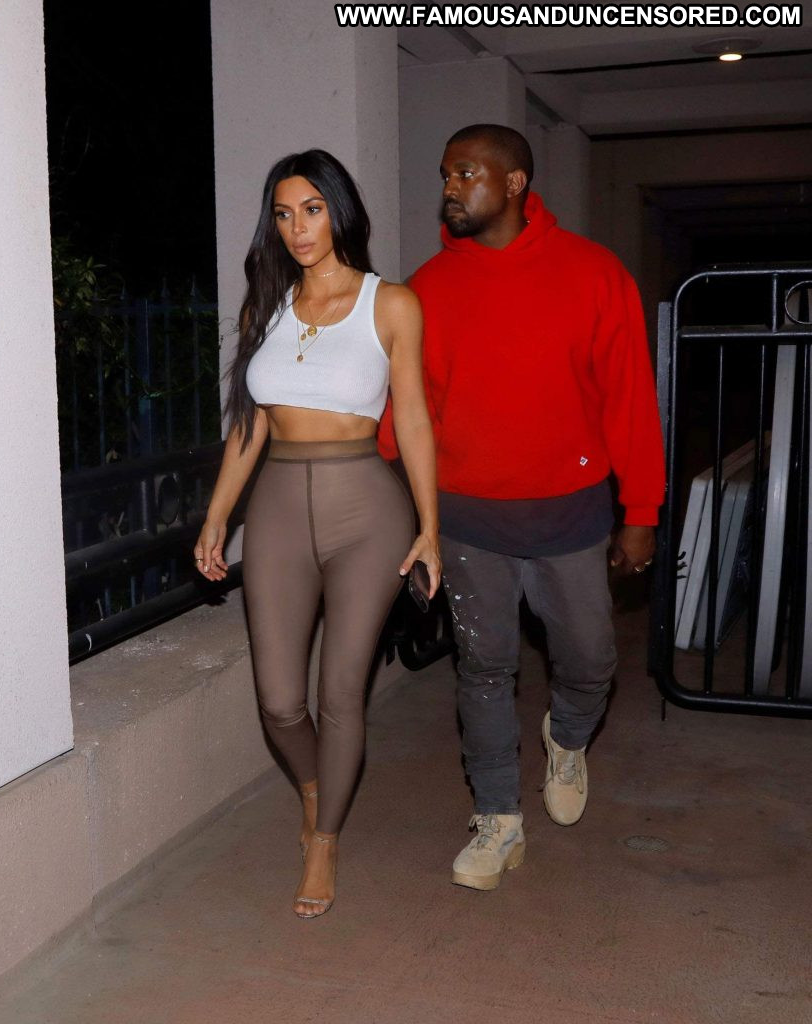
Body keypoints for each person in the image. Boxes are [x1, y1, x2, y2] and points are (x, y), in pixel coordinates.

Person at [378, 124, 665, 891]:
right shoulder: (429, 287)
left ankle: (566, 738)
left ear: (514, 183)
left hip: (570, 516)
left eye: (465, 173)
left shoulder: (594, 274)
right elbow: (408, 412)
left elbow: (631, 401)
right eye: (445, 174)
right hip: (469, 521)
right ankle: (498, 819)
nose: (449, 188)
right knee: (484, 666)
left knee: (590, 660)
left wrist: (641, 511)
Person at [194, 150, 440, 918]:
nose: (297, 228)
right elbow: (250, 426)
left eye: (311, 209)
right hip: (274, 510)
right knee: (278, 701)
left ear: (339, 211)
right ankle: (311, 786)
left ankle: (324, 838)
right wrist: (216, 514)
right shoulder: (263, 309)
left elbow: (413, 418)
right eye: (283, 213)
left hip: (367, 513)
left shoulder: (389, 304)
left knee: (340, 692)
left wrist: (430, 527)